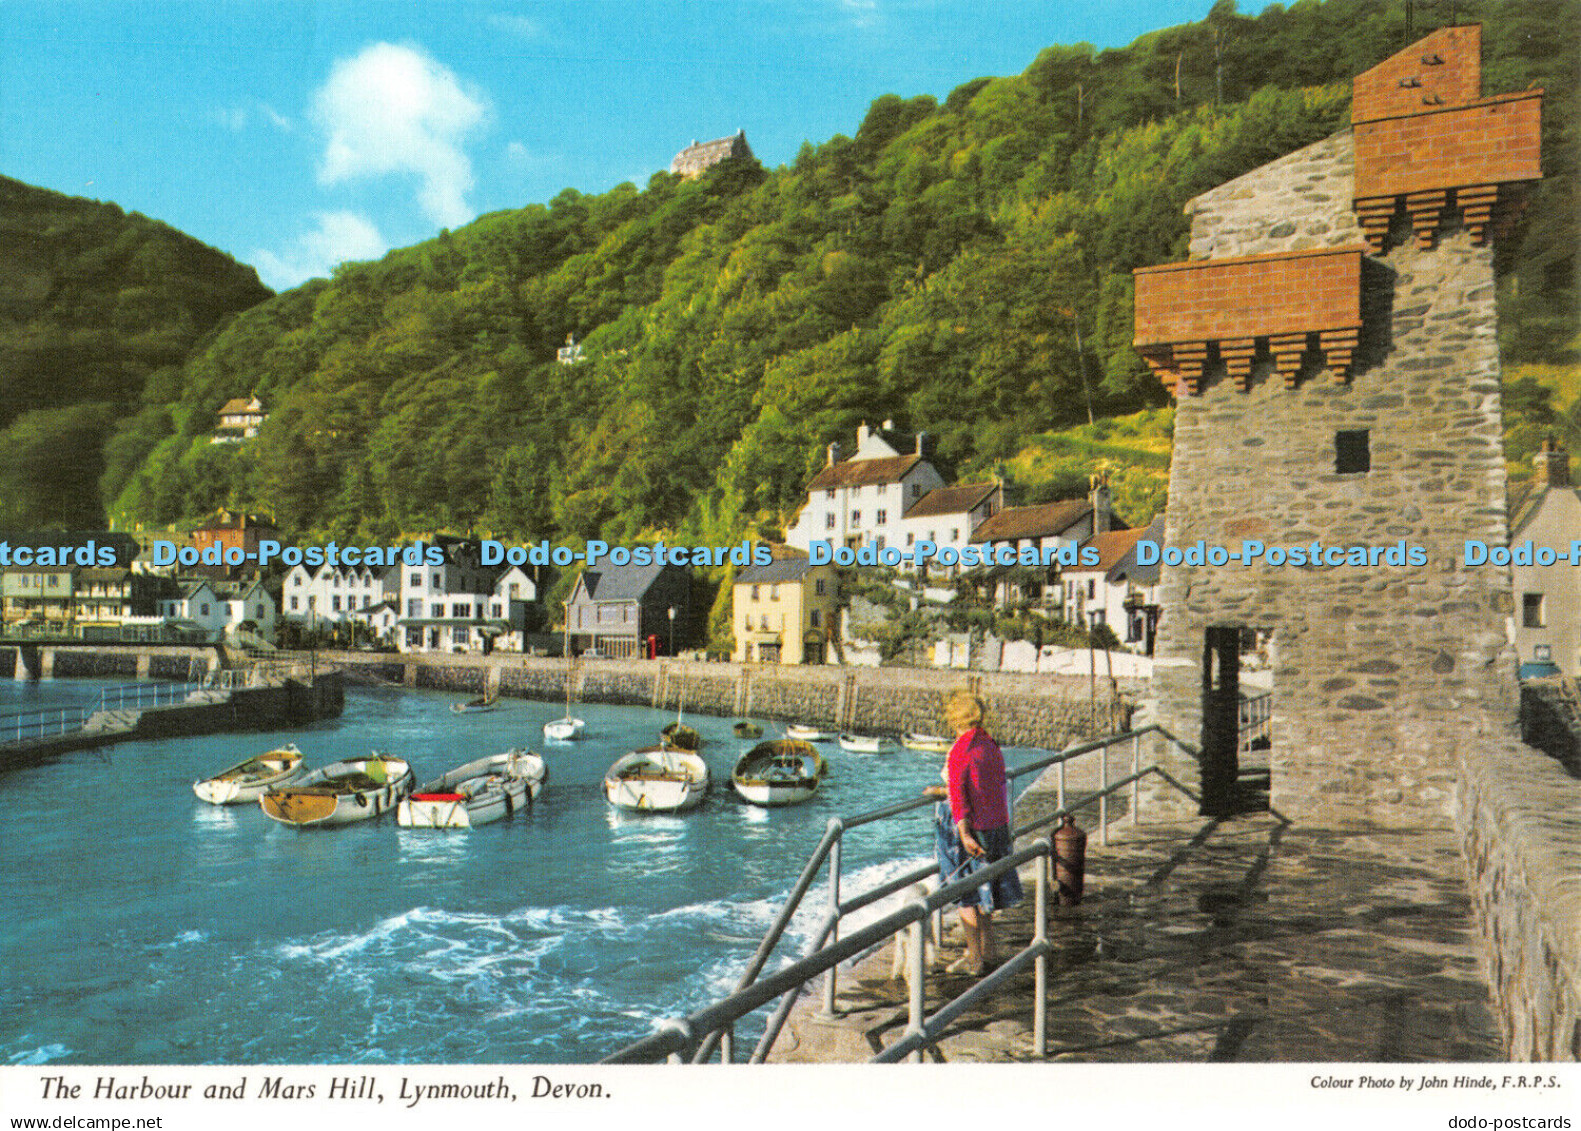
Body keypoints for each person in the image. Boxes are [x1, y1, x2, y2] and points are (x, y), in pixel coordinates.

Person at [924, 690, 1022, 976]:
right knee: (985, 889)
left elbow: (960, 797)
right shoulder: (989, 745)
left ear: (954, 719)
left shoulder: (960, 751)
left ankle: (975, 959)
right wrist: (943, 790)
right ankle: (989, 951)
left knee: (965, 894)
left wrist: (964, 834)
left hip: (965, 828)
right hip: (995, 825)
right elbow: (980, 787)